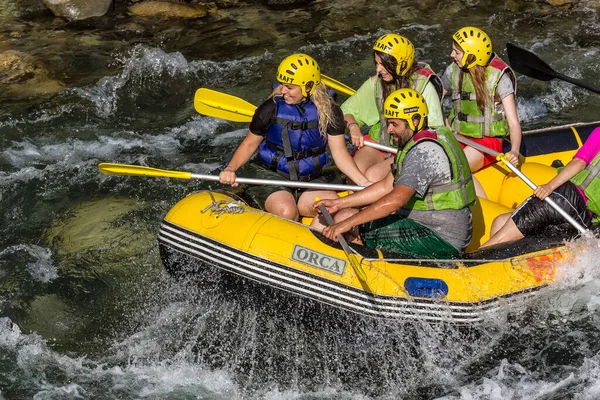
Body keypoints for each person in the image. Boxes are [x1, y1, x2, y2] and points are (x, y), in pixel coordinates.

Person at [315, 88, 476, 259]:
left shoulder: (423, 153)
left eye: (395, 124)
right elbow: (385, 186)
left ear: (415, 121)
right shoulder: (420, 140)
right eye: (388, 123)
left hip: (439, 236)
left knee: (354, 227)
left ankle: (369, 275)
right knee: (345, 215)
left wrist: (346, 225)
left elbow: (395, 201)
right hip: (427, 225)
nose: (389, 129)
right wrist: (339, 203)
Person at [219, 53, 371, 227]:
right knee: (287, 212)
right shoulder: (271, 107)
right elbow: (249, 144)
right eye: (282, 85)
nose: (283, 91)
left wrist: (364, 183)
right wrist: (231, 168)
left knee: (331, 206)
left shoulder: (330, 112)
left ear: (308, 86)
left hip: (309, 180)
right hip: (270, 175)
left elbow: (339, 153)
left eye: (290, 87)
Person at [341, 33, 444, 183]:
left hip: (411, 149)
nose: (378, 69)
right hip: (383, 143)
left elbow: (435, 133)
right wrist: (353, 126)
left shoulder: (424, 87)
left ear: (402, 64)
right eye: (376, 63)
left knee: (373, 175)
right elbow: (345, 110)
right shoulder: (377, 82)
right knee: (354, 172)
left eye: (384, 65)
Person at [481, 127, 600, 248]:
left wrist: (549, 186)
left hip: (565, 198)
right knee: (500, 221)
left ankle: (468, 263)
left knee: (496, 241)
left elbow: (579, 163)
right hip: (583, 219)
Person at [442, 26, 522, 198]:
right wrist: (443, 121)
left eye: (456, 52)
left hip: (487, 142)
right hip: (457, 136)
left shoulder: (500, 79)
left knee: (456, 167)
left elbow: (514, 122)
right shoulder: (452, 71)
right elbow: (435, 99)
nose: (451, 55)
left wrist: (514, 151)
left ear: (471, 57)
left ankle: (484, 209)